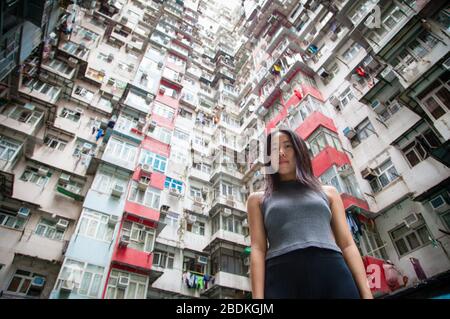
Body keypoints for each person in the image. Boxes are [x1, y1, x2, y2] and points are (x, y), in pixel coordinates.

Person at [246, 129, 373, 299]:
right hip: (282, 278)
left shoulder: (329, 193)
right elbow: (258, 249)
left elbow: (347, 243)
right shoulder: (257, 200)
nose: (281, 153)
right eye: (274, 150)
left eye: (288, 146)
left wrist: (366, 293)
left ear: (300, 151)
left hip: (332, 272)